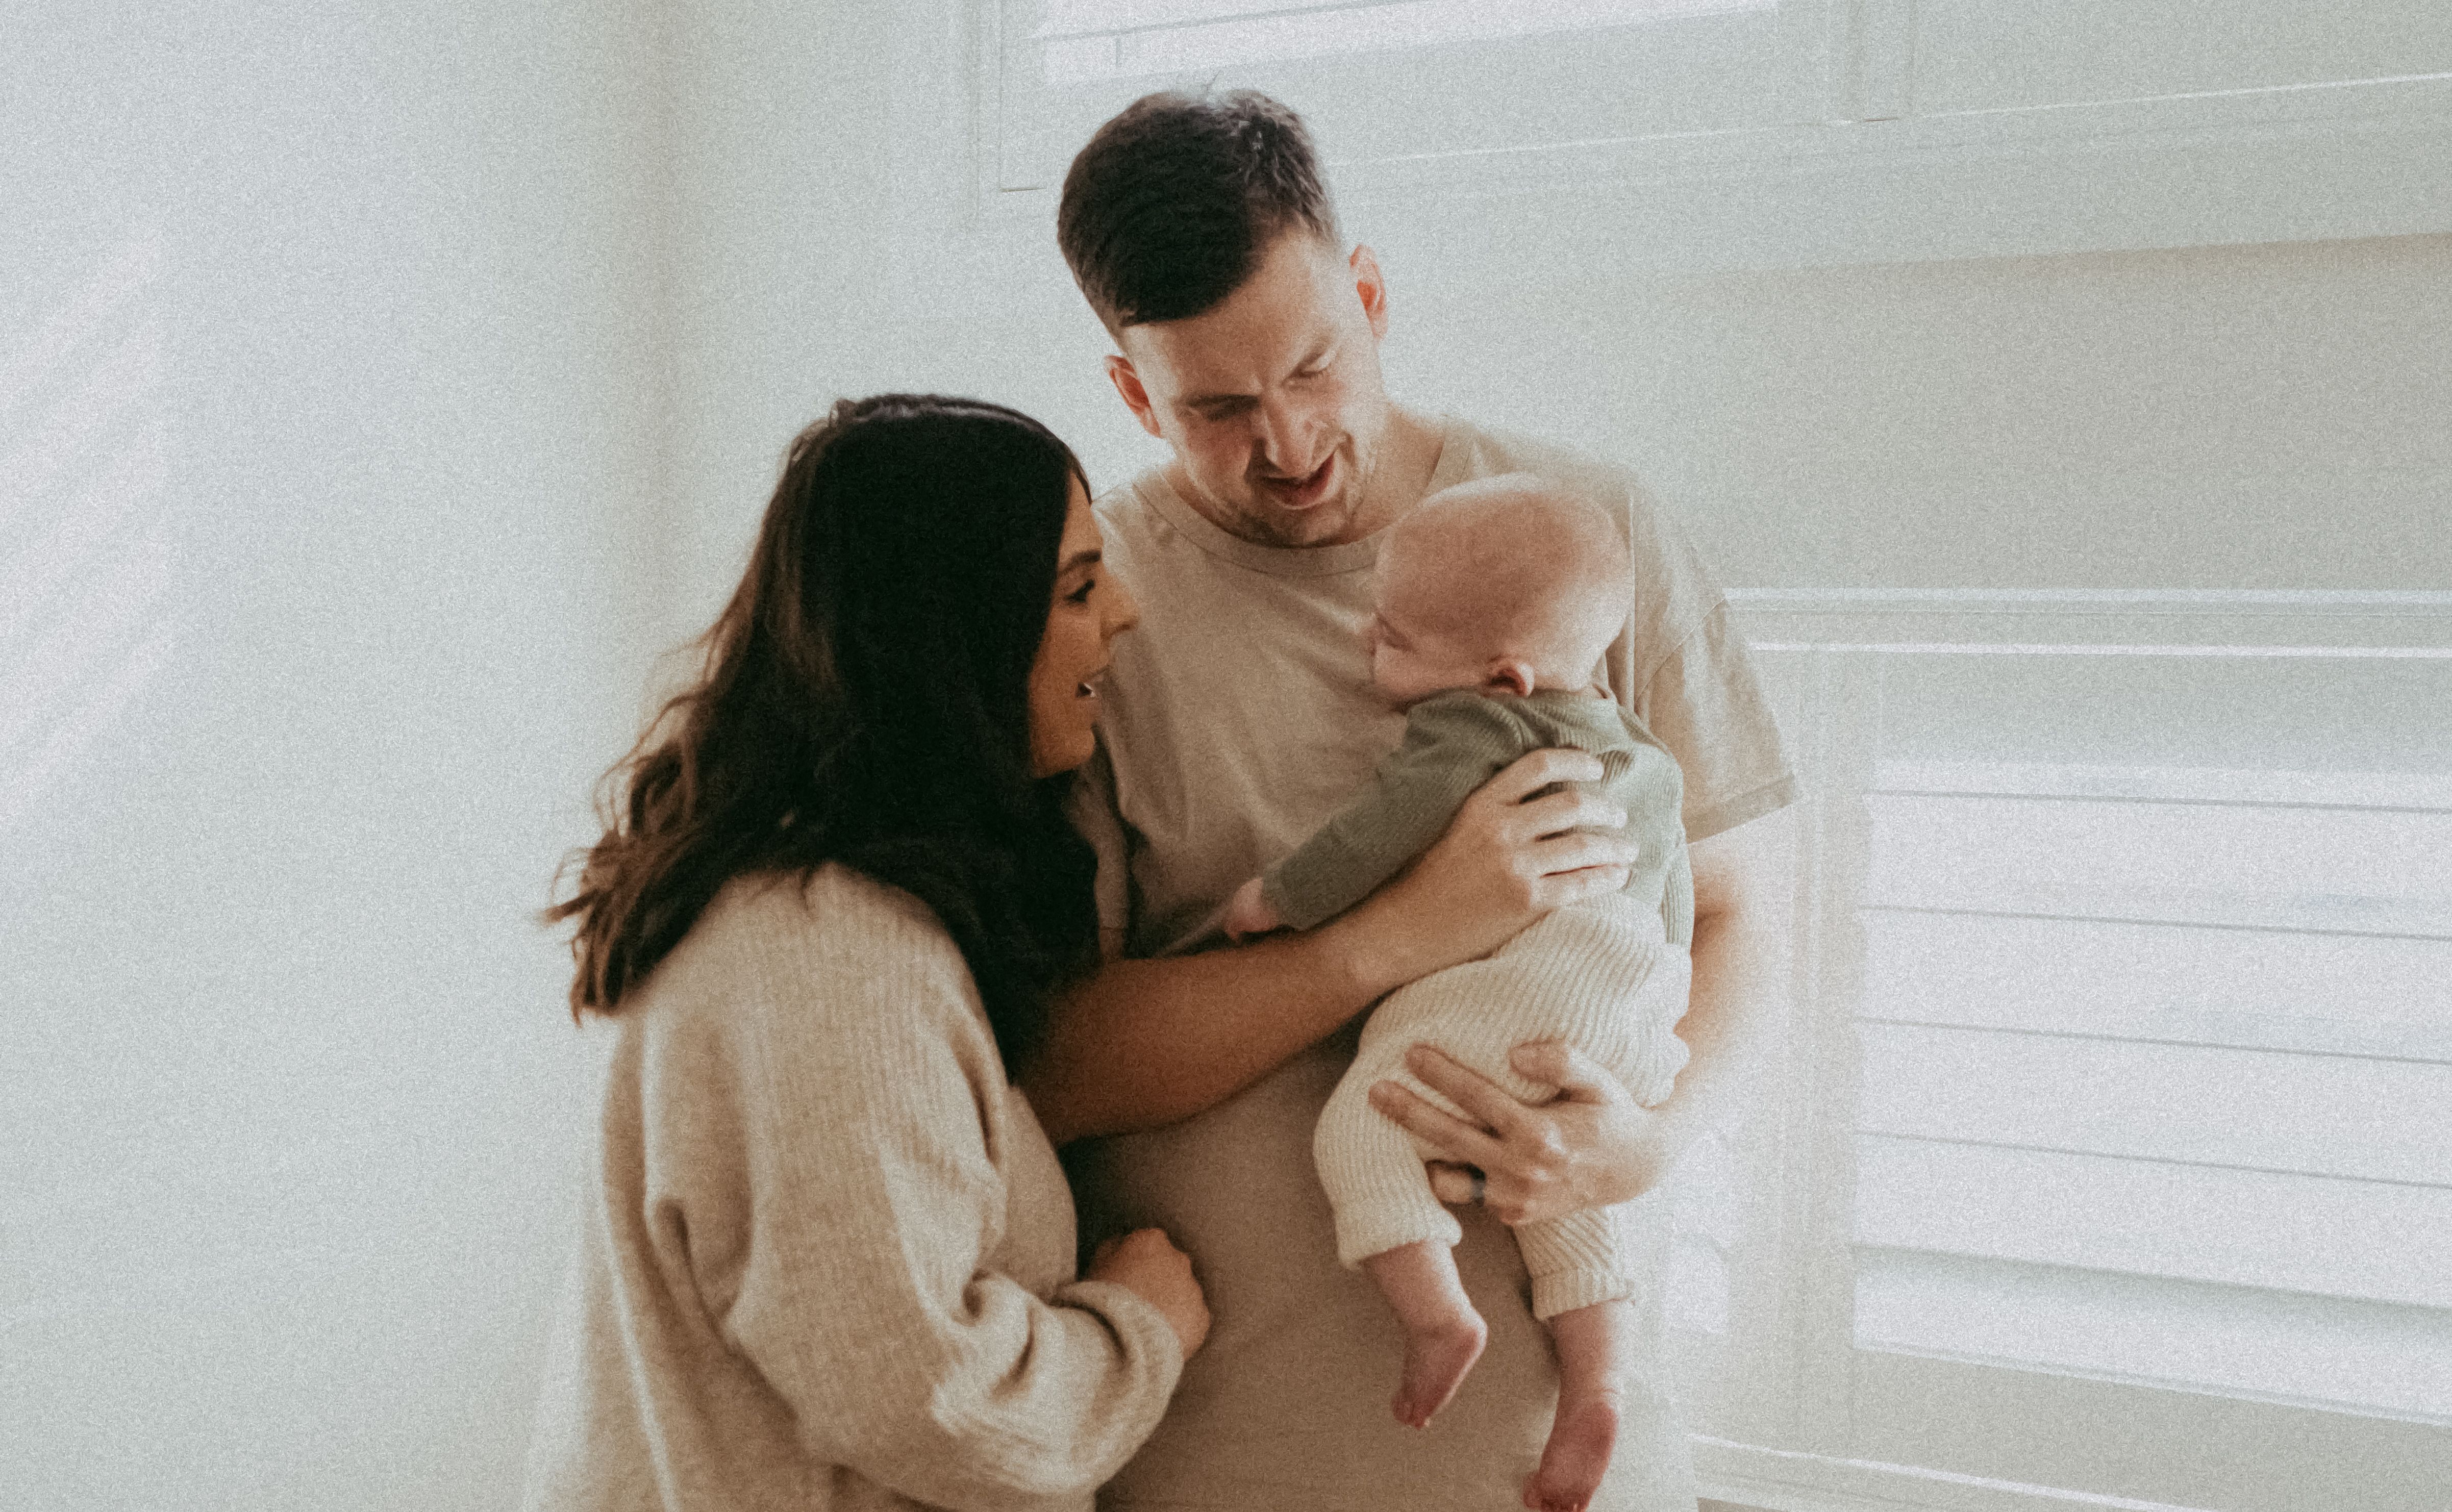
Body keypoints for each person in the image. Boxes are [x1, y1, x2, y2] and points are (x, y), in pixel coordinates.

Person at [1021, 91, 1799, 1512]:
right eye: (1216, 409)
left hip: (1574, 1470)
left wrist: (1650, 1143)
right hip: (1225, 1472)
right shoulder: (1092, 611)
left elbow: (1743, 916)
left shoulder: (1584, 534)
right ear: (1134, 395)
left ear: (1369, 295)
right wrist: (1391, 935)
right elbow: (1056, 1061)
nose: (1288, 442)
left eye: (1315, 366)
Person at [521, 394, 1209, 1512]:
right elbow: (923, 1396)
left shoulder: (819, 918)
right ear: (951, 643)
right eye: (1078, 589)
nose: (1124, 613)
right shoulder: (826, 961)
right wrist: (1137, 1332)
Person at [1220, 475, 1695, 1512]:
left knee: (1364, 1124)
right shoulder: (1643, 753)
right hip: (1628, 993)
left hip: (1531, 980)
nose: (1365, 639)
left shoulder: (1479, 726)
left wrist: (1278, 898)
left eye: (1391, 635)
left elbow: (1380, 830)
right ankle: (1595, 1386)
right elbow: (1676, 892)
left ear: (1503, 677)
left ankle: (1438, 1317)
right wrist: (1652, 1034)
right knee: (1562, 1201)